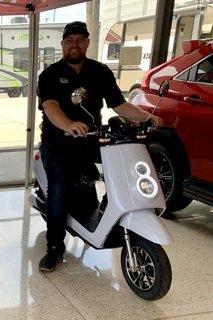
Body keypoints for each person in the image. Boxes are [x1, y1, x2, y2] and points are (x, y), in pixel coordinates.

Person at [36, 21, 163, 272]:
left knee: (129, 167)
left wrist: (147, 118)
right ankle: (54, 247)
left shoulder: (100, 72)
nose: (75, 44)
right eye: (70, 39)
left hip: (93, 138)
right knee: (58, 188)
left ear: (87, 43)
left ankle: (108, 208)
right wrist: (68, 124)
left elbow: (119, 105)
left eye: (80, 39)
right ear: (63, 44)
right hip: (59, 141)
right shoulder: (50, 74)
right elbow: (51, 108)